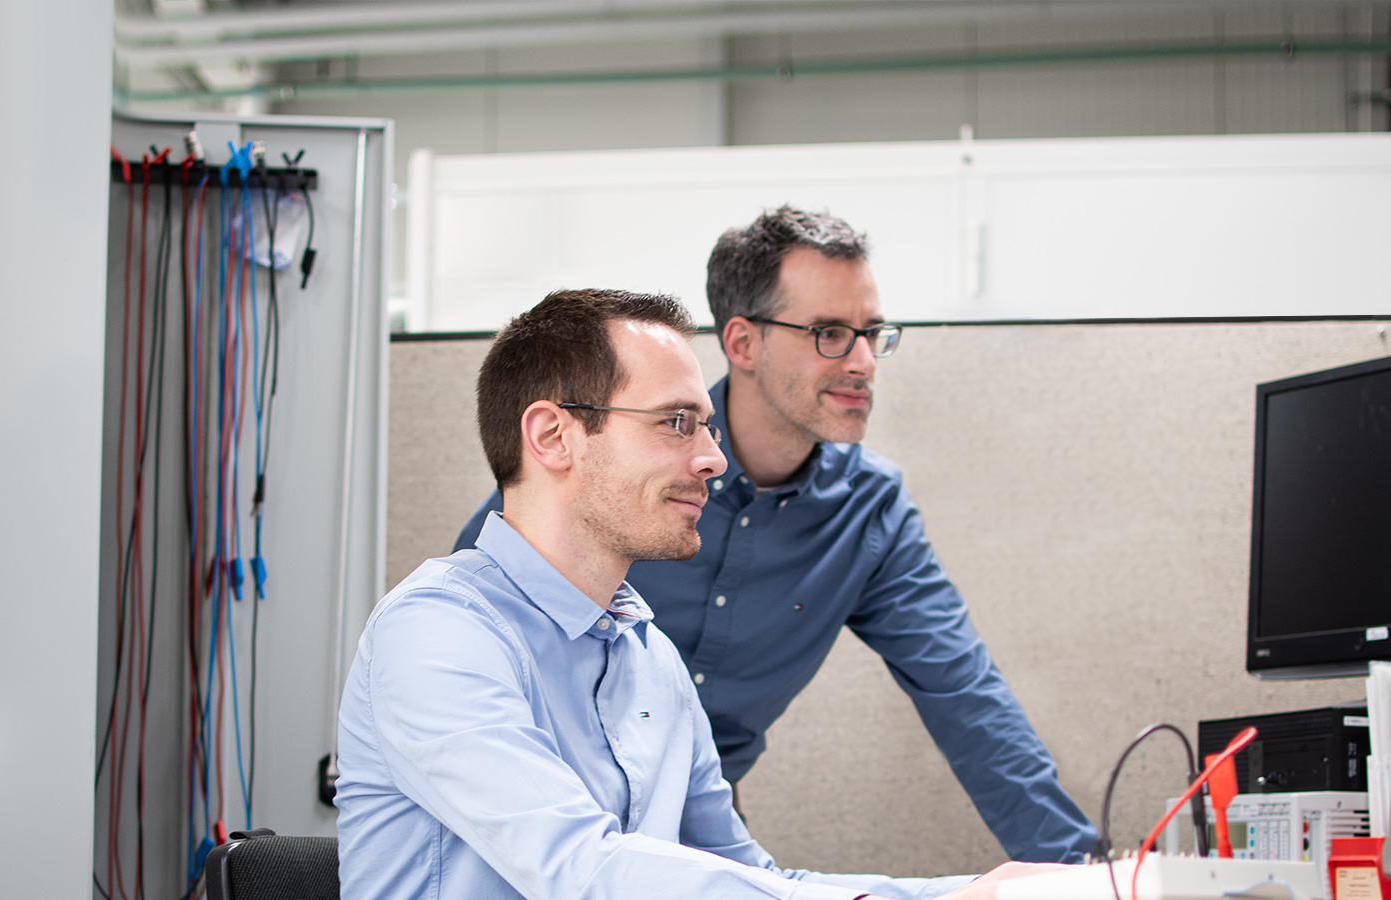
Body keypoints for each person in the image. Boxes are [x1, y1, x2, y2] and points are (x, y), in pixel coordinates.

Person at [336, 289, 1044, 900]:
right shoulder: (438, 635)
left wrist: (982, 889)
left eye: (705, 425)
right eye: (676, 423)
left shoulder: (650, 660)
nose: (712, 457)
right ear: (553, 436)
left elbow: (747, 876)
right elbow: (582, 872)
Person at [456, 209, 1099, 863]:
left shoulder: (869, 513)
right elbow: (472, 633)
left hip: (700, 820)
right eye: (829, 333)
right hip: (543, 812)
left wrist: (1083, 875)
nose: (863, 361)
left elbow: (967, 699)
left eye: (872, 334)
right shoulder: (611, 466)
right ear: (741, 344)